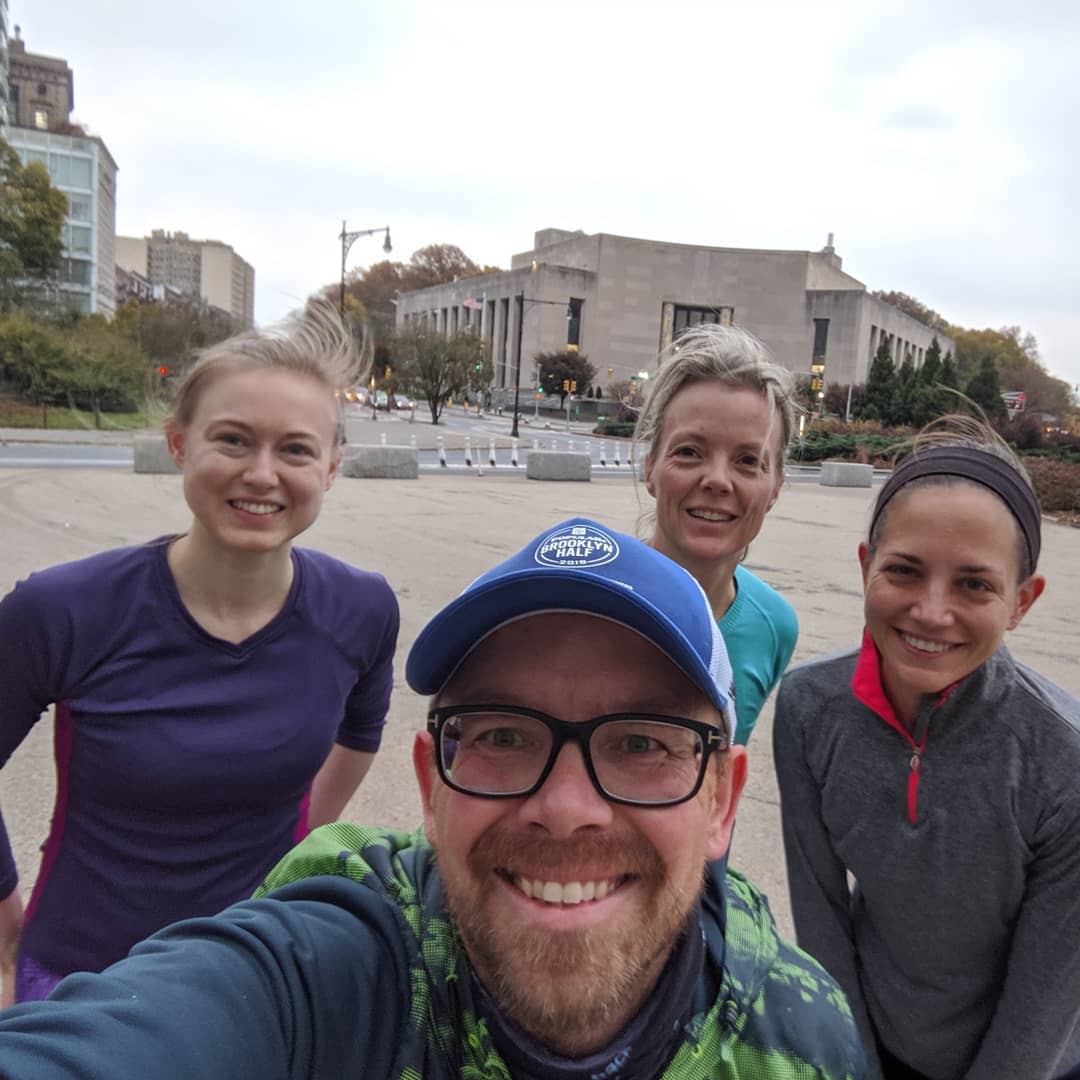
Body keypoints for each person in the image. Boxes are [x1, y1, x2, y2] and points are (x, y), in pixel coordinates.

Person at [0, 518, 866, 1080]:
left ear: (723, 800)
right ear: (427, 784)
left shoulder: (803, 1042)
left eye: (641, 744)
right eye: (502, 735)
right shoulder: (332, 978)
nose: (565, 807)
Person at [0, 305, 399, 1005]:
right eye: (233, 440)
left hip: (257, 973)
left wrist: (299, 846)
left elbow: (360, 731)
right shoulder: (65, 609)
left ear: (332, 468)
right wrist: (3, 911)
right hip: (84, 979)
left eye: (297, 450)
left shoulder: (361, 610)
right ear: (179, 444)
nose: (262, 474)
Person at [773, 416, 1080, 1079]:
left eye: (974, 584)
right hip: (878, 1047)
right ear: (866, 566)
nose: (931, 612)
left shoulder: (1064, 759)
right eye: (905, 572)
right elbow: (822, 921)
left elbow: (1047, 993)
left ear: (1022, 601)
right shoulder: (807, 711)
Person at [634, 323, 798, 745]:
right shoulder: (583, 604)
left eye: (748, 460)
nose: (718, 480)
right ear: (650, 468)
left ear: (775, 487)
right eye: (689, 452)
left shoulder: (774, 625)